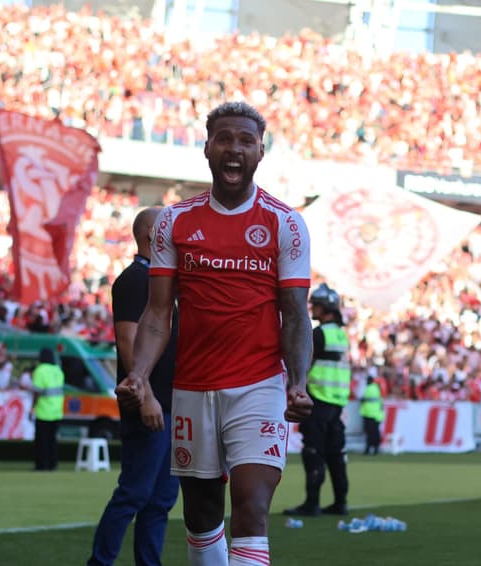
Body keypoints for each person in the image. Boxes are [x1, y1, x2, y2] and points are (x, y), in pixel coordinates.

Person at [116, 101, 314, 566]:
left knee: (252, 505)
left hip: (259, 385)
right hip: (193, 387)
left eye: (246, 141)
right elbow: (157, 313)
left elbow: (296, 314)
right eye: (224, 138)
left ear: (260, 152)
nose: (234, 149)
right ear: (207, 147)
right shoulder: (174, 222)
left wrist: (297, 381)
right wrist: (140, 373)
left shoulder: (285, 223)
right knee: (203, 516)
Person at [89, 207, 180, 566]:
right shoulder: (134, 280)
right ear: (151, 235)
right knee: (135, 493)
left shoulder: (159, 281)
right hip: (150, 402)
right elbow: (127, 342)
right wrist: (146, 397)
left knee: (160, 499)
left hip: (169, 404)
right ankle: (100, 562)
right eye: (169, 230)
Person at [285, 283, 351, 516]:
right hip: (337, 403)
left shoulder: (318, 334)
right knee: (336, 453)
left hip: (319, 400)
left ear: (327, 309)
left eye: (317, 305)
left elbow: (304, 363)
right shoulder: (341, 336)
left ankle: (312, 503)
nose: (313, 308)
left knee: (313, 450)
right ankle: (340, 501)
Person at [32, 347, 64, 471]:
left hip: (43, 411)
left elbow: (37, 392)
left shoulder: (40, 370)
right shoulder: (58, 370)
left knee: (41, 441)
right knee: (52, 440)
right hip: (56, 411)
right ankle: (53, 464)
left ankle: (41, 466)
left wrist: (33, 406)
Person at [360, 371, 384, 456]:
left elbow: (361, 398)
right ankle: (375, 448)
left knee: (370, 433)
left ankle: (369, 448)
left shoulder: (368, 388)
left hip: (369, 413)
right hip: (376, 414)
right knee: (375, 432)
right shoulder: (376, 388)